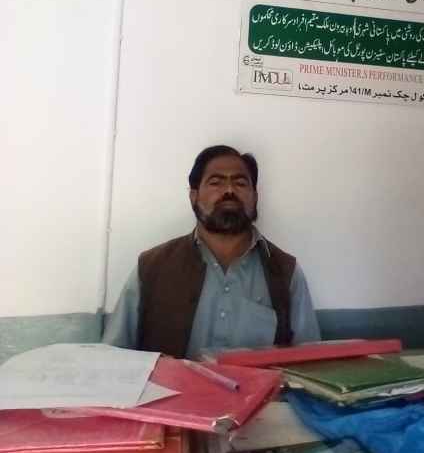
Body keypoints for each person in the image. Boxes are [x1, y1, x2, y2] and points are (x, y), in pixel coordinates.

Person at [102, 145, 321, 357]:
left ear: (255, 196)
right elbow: (114, 357)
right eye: (216, 182)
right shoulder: (151, 268)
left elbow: (311, 364)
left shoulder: (285, 272)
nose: (229, 191)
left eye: (240, 183)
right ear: (194, 196)